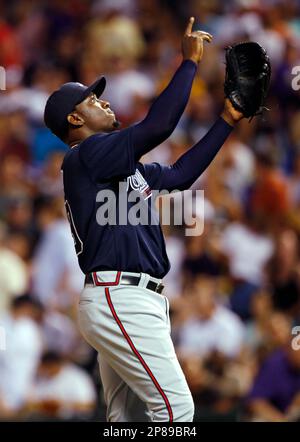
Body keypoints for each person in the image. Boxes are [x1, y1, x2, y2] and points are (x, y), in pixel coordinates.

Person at [44, 17, 243, 422]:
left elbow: (182, 174)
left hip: (131, 298)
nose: (104, 101)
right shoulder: (87, 155)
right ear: (75, 121)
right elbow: (159, 126)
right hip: (121, 296)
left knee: (126, 422)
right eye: (92, 100)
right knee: (177, 412)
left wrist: (227, 120)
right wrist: (187, 64)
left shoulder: (120, 168)